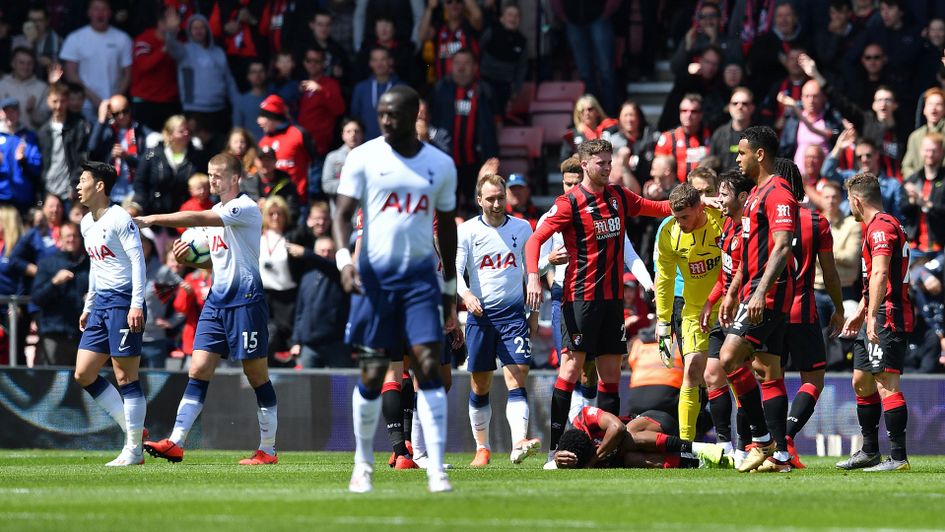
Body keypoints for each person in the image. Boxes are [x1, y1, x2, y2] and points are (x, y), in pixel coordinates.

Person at [333, 85, 458, 493]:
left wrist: (449, 286)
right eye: (382, 113)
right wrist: (344, 260)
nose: (386, 120)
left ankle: (435, 467)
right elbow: (342, 214)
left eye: (394, 114)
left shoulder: (439, 164)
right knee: (373, 373)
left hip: (420, 280)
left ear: (414, 115)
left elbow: (448, 230)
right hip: (375, 279)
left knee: (428, 367)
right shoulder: (363, 157)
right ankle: (362, 464)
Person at [524, 138, 670, 465]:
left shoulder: (618, 196)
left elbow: (656, 207)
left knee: (610, 375)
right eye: (601, 163)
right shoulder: (569, 203)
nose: (607, 168)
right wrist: (534, 276)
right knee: (571, 368)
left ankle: (606, 450)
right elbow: (534, 240)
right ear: (585, 164)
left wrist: (694, 201)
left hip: (612, 302)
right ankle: (554, 451)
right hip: (580, 300)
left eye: (609, 162)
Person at [138, 153, 278, 466]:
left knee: (256, 374)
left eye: (218, 175)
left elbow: (197, 218)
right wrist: (190, 260)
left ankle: (268, 449)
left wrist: (153, 218)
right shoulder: (217, 213)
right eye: (210, 174)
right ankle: (176, 442)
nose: (212, 180)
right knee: (198, 368)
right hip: (217, 301)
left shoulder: (245, 207)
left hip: (246, 300)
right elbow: (215, 262)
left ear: (234, 178)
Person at [718, 126, 798, 473]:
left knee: (729, 358)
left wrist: (760, 292)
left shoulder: (778, 192)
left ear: (760, 154)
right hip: (752, 290)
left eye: (742, 153)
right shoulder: (753, 195)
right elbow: (748, 253)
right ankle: (781, 458)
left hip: (769, 293)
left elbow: (782, 247)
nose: (738, 159)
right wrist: (732, 291)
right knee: (768, 371)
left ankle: (762, 441)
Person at [457, 173, 540, 467]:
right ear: (479, 200)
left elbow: (533, 269)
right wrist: (466, 294)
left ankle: (518, 443)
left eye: (500, 198)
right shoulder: (467, 231)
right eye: (490, 199)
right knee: (480, 384)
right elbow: (455, 271)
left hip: (513, 316)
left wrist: (534, 312)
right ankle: (483, 448)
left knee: (518, 374)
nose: (496, 204)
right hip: (481, 317)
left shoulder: (522, 228)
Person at [71, 161, 147, 466]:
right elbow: (95, 266)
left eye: (83, 180)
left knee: (125, 375)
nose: (78, 186)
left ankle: (134, 450)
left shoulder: (120, 218)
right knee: (83, 373)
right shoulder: (85, 223)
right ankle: (134, 431)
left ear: (100, 185)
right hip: (101, 303)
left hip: (123, 301)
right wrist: (89, 305)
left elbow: (138, 261)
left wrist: (136, 304)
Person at [837, 171, 913, 472]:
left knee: (886, 384)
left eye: (848, 201)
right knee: (861, 380)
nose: (849, 207)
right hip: (875, 311)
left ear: (856, 200)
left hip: (887, 314)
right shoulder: (880, 225)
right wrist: (862, 311)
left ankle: (898, 457)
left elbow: (881, 273)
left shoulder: (880, 227)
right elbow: (876, 277)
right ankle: (869, 451)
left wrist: (871, 316)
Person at [779, 163, 846, 468]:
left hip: (767, 311)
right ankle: (786, 438)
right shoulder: (816, 221)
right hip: (802, 310)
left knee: (769, 379)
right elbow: (830, 274)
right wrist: (839, 309)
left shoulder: (759, 216)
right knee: (814, 379)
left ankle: (759, 443)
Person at [654, 182, 724, 442]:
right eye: (676, 217)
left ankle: (745, 443)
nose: (680, 222)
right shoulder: (669, 232)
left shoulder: (720, 220)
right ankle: (686, 447)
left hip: (729, 306)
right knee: (693, 370)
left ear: (699, 208)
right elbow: (664, 280)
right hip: (694, 311)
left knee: (734, 373)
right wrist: (663, 323)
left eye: (685, 217)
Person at [699, 170, 754, 462]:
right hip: (726, 309)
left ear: (742, 197)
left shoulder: (750, 229)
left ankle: (745, 446)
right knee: (712, 375)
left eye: (724, 194)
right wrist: (711, 302)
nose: (719, 200)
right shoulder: (728, 226)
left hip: (745, 309)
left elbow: (745, 270)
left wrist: (731, 298)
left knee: (740, 378)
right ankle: (725, 446)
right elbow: (725, 272)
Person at [552, 406, 729, 470]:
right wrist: (557, 459)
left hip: (655, 422)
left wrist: (593, 460)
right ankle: (698, 463)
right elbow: (549, 466)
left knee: (626, 437)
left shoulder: (584, 418)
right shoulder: (575, 458)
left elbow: (617, 428)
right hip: (651, 451)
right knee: (629, 459)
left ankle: (698, 448)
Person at [430, 48, 499, 210]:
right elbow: (430, 123)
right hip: (445, 160)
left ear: (475, 67)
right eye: (457, 63)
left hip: (476, 161)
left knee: (477, 206)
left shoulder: (485, 90)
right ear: (451, 66)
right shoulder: (440, 89)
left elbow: (496, 124)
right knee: (446, 206)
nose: (461, 68)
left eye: (466, 63)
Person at [162, 10, 240, 137]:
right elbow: (171, 45)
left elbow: (229, 81)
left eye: (201, 27)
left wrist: (238, 103)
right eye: (194, 28)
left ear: (207, 29)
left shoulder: (219, 52)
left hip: (219, 109)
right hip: (194, 109)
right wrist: (170, 31)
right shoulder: (184, 50)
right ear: (189, 31)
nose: (198, 30)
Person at [59, 0, 132, 122]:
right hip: (84, 105)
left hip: (115, 108)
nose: (100, 13)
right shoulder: (75, 38)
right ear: (89, 12)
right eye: (96, 9)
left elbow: (128, 74)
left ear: (110, 13)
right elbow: (71, 74)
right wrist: (95, 100)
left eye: (104, 9)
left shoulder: (123, 39)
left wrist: (114, 101)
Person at [31, 221, 88, 366]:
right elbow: (36, 298)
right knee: (54, 378)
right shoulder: (47, 264)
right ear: (60, 239)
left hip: (81, 334)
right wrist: (54, 282)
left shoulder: (88, 264)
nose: (71, 239)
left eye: (75, 236)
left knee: (81, 378)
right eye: (68, 236)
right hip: (54, 333)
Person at [290, 236, 351, 368]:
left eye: (330, 251)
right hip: (310, 346)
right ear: (315, 252)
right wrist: (296, 341)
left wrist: (305, 253)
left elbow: (325, 265)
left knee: (340, 381)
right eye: (322, 251)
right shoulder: (307, 277)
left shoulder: (340, 274)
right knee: (309, 381)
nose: (326, 254)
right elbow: (300, 311)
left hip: (336, 344)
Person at [88, 94, 154, 204]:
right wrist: (101, 120)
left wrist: (127, 157)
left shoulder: (141, 131)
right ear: (110, 114)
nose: (122, 116)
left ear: (130, 109)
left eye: (125, 111)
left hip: (134, 192)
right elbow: (92, 149)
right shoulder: (107, 131)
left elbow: (147, 164)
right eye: (116, 113)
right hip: (111, 192)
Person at [130, 9, 180, 133]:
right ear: (161, 23)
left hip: (169, 103)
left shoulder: (179, 42)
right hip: (146, 102)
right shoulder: (144, 40)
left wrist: (172, 42)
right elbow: (144, 65)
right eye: (172, 21)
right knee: (146, 142)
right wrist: (165, 48)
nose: (176, 25)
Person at [257, 94, 314, 203]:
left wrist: (312, 192)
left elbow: (315, 163)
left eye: (263, 116)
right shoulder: (263, 142)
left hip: (299, 200)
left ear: (273, 117)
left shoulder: (298, 133)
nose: (259, 121)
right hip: (271, 205)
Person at [900, 133, 945, 258]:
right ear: (921, 151)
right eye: (927, 150)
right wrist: (912, 201)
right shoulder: (912, 180)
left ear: (941, 152)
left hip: (939, 247)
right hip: (914, 246)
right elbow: (903, 210)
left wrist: (926, 204)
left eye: (934, 151)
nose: (930, 154)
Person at [351, 46, 404, 141]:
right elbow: (355, 117)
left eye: (383, 59)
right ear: (370, 63)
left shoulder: (402, 88)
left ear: (390, 61)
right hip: (366, 144)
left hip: (395, 143)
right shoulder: (361, 88)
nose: (379, 64)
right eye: (375, 60)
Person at [654, 94, 711, 183]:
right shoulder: (668, 137)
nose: (688, 115)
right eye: (684, 111)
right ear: (679, 113)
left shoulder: (711, 135)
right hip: (675, 188)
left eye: (694, 111)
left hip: (704, 186)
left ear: (701, 114)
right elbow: (658, 167)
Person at [0, 47, 49, 130]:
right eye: (21, 63)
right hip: (4, 136)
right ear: (13, 64)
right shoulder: (2, 85)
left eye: (29, 63)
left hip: (32, 136)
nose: (25, 67)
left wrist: (32, 111)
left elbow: (45, 119)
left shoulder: (43, 88)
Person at [710, 87, 755, 171]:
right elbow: (711, 165)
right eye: (735, 103)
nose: (739, 106)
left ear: (752, 108)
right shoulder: (719, 134)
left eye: (744, 103)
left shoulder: (760, 135)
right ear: (729, 107)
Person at [562, 94, 618, 160]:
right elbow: (563, 160)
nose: (586, 113)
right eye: (582, 111)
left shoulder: (611, 129)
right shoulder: (571, 135)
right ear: (578, 115)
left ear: (597, 111)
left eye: (590, 109)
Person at [322, 118, 364, 199]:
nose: (353, 135)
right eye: (348, 131)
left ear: (362, 134)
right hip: (340, 205)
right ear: (342, 135)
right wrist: (352, 183)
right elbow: (327, 185)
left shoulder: (370, 156)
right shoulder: (332, 157)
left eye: (357, 131)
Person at [231, 61, 267, 141]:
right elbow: (237, 129)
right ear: (248, 76)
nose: (258, 75)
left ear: (265, 74)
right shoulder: (241, 101)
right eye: (254, 72)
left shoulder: (273, 98)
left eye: (261, 71)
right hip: (250, 145)